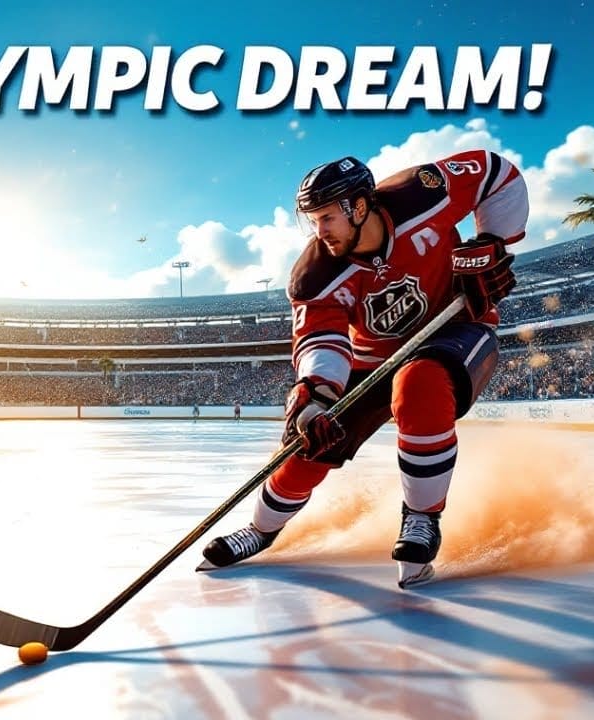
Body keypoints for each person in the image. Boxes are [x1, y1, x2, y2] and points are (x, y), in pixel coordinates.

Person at [200, 151, 527, 589]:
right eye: (313, 220)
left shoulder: (423, 191)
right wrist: (315, 396)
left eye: (328, 217)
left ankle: (422, 519)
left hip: (458, 327)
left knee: (420, 383)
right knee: (310, 443)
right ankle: (261, 530)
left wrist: (493, 241)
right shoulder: (314, 275)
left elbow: (495, 171)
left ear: (359, 206)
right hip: (372, 360)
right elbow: (322, 340)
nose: (321, 231)